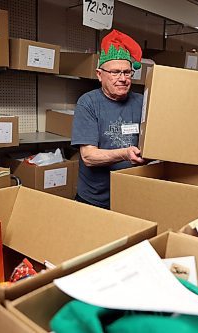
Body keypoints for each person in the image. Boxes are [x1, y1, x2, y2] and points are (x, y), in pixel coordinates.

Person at [71, 29, 146, 209]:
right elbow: (88, 156)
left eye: (127, 73)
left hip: (132, 194)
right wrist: (125, 153)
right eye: (115, 72)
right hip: (94, 199)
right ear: (99, 74)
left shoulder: (142, 102)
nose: (122, 79)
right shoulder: (88, 103)